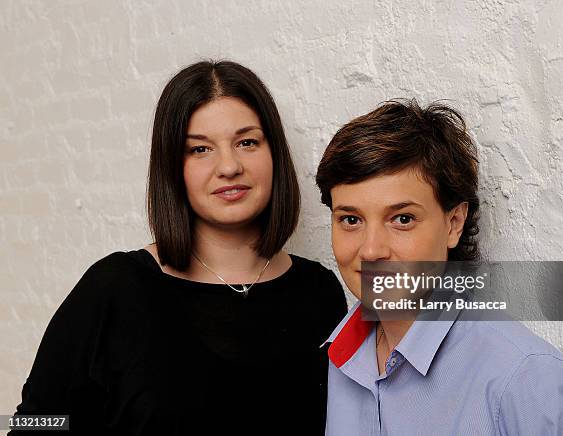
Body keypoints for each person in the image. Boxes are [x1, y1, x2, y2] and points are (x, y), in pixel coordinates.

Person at [11, 60, 347, 435]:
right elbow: (33, 424)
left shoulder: (320, 292)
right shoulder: (114, 289)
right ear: (173, 167)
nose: (229, 166)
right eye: (200, 149)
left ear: (274, 153)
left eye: (247, 142)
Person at [315, 100, 563, 435]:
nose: (371, 249)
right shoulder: (340, 357)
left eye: (402, 219)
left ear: (453, 223)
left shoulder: (523, 378)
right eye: (350, 219)